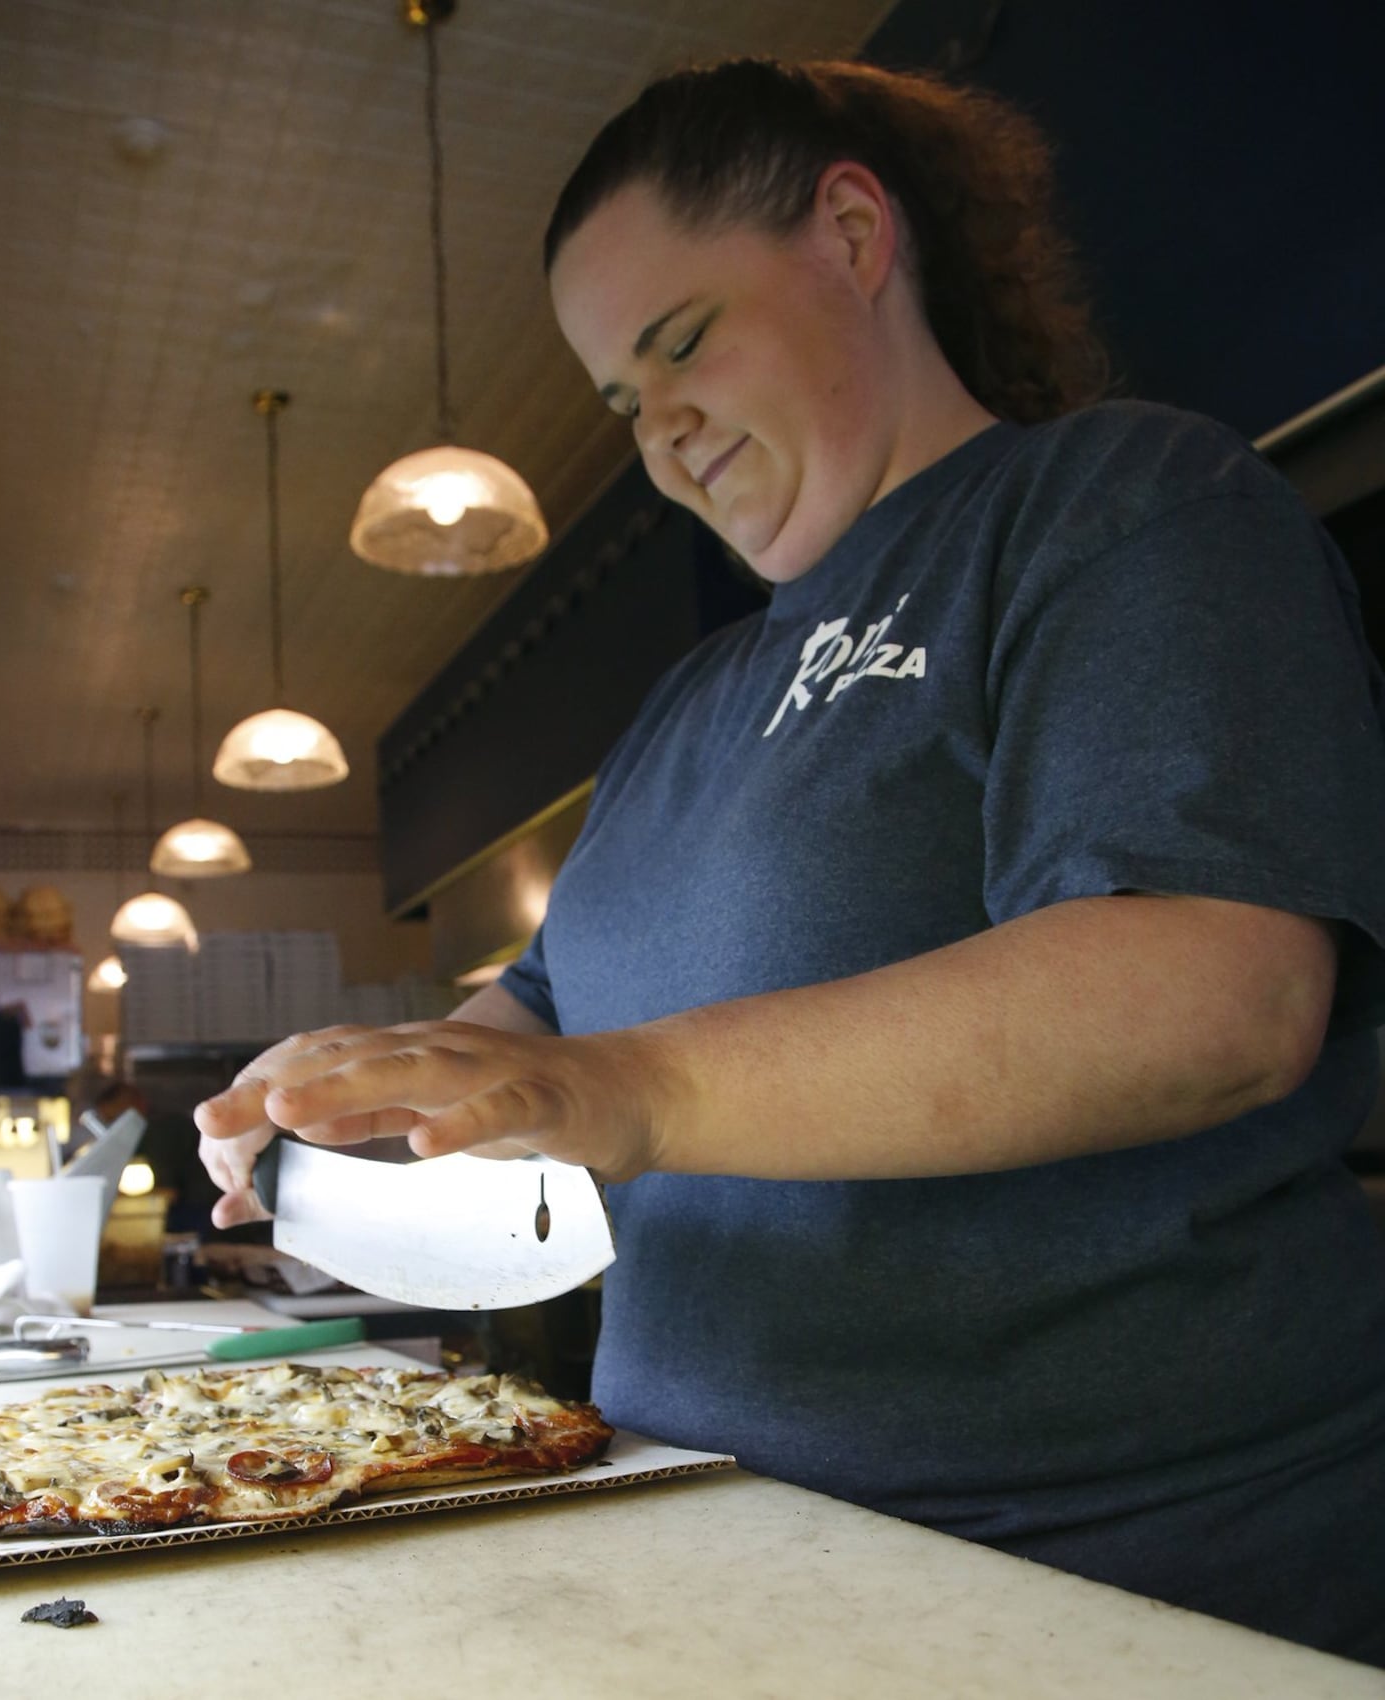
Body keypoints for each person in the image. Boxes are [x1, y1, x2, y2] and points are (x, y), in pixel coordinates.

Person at [196, 58, 1385, 1663]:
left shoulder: (1122, 504)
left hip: (1121, 1580)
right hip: (707, 1550)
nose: (661, 429)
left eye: (680, 342)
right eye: (622, 400)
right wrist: (363, 1090)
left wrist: (642, 1091)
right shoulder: (692, 697)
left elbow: (1210, 988)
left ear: (848, 233)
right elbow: (544, 1006)